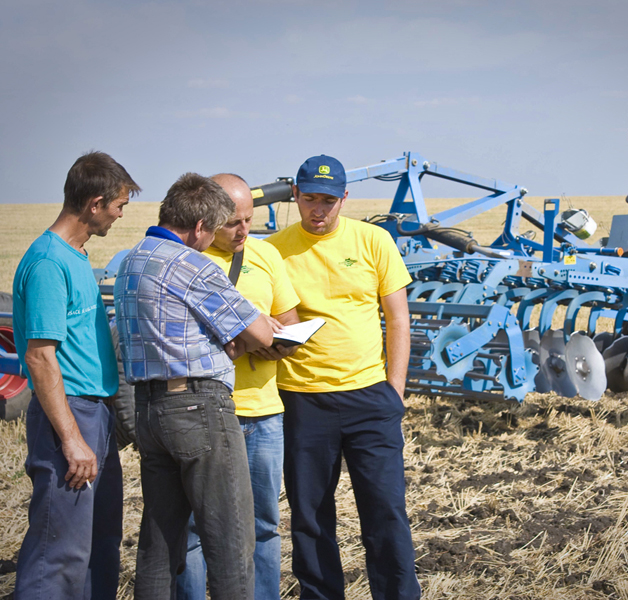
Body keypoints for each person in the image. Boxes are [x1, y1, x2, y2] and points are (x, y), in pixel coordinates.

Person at [113, 173, 283, 600]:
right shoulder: (192, 264)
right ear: (201, 227)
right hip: (198, 408)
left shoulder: (134, 259)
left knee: (160, 539)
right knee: (232, 538)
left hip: (150, 410)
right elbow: (262, 335)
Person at [268, 155, 421, 600]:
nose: (319, 209)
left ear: (344, 199)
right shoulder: (274, 249)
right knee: (311, 516)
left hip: (370, 399)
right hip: (302, 399)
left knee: (387, 511)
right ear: (295, 195)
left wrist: (394, 392)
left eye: (329, 200)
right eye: (310, 198)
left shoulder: (373, 241)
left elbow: (398, 320)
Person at [12, 151, 140, 599]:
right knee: (59, 552)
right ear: (95, 203)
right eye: (119, 206)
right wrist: (70, 437)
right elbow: (41, 358)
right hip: (69, 415)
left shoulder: (76, 256)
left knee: (98, 543)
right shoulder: (49, 263)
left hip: (95, 415)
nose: (120, 216)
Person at [176, 173, 300, 600]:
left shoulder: (264, 254)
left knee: (263, 524)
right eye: (232, 223)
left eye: (249, 219)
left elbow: (291, 320)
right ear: (207, 219)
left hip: (265, 412)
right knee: (194, 525)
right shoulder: (187, 260)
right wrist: (252, 339)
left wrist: (280, 344)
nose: (244, 231)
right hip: (207, 411)